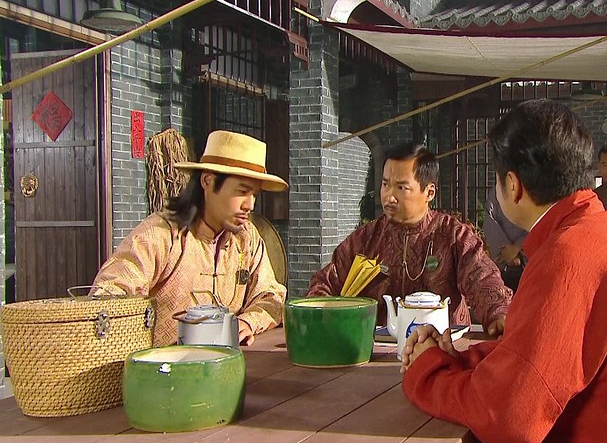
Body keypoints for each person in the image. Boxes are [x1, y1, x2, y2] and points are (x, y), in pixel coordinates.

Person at [399, 99, 607, 443]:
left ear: (513, 186)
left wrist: (427, 372)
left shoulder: (571, 253)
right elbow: (539, 355)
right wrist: (457, 360)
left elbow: (510, 416)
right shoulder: (595, 231)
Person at [93, 130, 288, 347]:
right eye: (242, 191)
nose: (250, 205)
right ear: (208, 181)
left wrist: (248, 322)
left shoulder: (246, 238)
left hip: (226, 362)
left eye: (254, 195)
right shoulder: (160, 234)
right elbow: (107, 296)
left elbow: (271, 296)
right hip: (163, 363)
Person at [308, 144, 512, 335]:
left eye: (401, 188)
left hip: (441, 347)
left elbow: (482, 277)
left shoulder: (453, 235)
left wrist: (497, 313)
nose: (389, 197)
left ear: (429, 192)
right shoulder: (366, 238)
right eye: (385, 184)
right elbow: (326, 283)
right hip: (377, 348)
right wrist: (320, 315)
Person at [483, 187, 528, 292]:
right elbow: (490, 221)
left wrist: (517, 247)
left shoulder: (532, 190)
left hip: (527, 261)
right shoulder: (497, 191)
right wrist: (505, 254)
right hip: (502, 264)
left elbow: (538, 223)